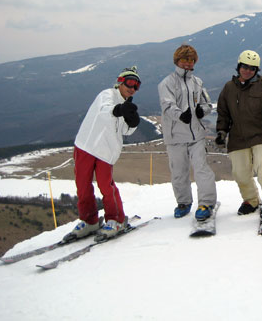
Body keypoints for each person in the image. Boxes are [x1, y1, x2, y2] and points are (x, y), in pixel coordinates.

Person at [65, 66, 141, 241]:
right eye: (130, 83)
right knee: (83, 185)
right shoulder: (107, 95)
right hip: (86, 145)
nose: (132, 88)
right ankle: (89, 220)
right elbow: (104, 110)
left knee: (106, 186)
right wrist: (119, 110)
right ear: (120, 82)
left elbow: (125, 130)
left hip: (106, 151)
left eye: (136, 85)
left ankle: (116, 219)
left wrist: (132, 122)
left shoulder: (127, 106)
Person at [215, 50, 262, 218]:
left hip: (260, 134)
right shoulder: (229, 88)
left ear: (256, 70)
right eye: (245, 67)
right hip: (238, 137)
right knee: (240, 172)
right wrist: (221, 132)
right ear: (239, 66)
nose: (248, 71)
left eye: (252, 68)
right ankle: (251, 200)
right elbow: (223, 113)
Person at [158, 44, 217, 221]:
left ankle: (206, 203)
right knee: (179, 171)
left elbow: (207, 103)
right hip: (175, 136)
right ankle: (183, 202)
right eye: (184, 59)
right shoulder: (167, 83)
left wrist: (203, 110)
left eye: (191, 60)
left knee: (201, 169)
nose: (188, 63)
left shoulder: (197, 82)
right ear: (177, 61)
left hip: (196, 135)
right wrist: (180, 115)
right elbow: (167, 105)